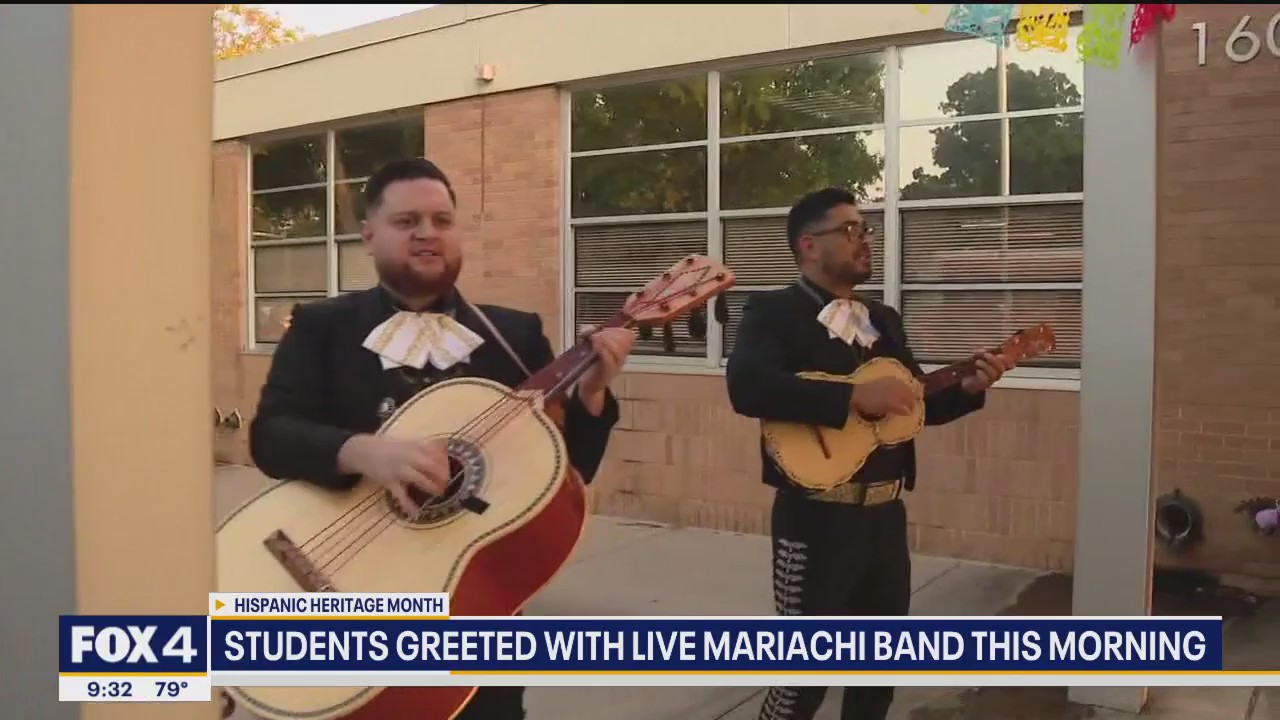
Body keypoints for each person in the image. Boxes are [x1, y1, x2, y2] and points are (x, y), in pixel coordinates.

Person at [248, 157, 635, 720]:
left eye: (442, 220)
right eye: (407, 221)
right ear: (369, 235)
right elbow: (270, 438)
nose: (428, 233)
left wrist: (593, 393)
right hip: (352, 588)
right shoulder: (321, 326)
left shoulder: (514, 335)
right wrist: (366, 451)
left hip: (474, 606)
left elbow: (564, 475)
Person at [724, 187, 1014, 720]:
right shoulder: (774, 312)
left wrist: (968, 389)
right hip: (814, 518)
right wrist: (849, 395)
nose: (865, 240)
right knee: (801, 684)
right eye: (851, 230)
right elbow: (747, 387)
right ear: (809, 246)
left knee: (876, 678)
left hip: (884, 518)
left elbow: (909, 409)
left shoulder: (882, 319)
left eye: (866, 229)